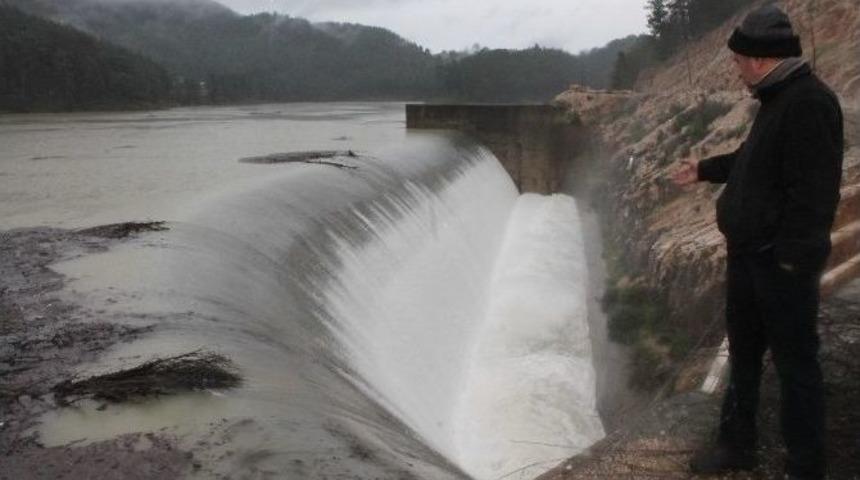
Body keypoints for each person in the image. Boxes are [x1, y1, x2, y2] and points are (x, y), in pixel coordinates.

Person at [670, 4, 843, 480]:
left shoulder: (808, 102)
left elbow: (815, 194)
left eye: (739, 59)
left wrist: (792, 262)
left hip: (779, 266)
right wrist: (703, 170)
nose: (736, 67)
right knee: (744, 356)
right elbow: (752, 162)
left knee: (796, 368)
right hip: (750, 259)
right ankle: (736, 446)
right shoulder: (778, 99)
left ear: (762, 60)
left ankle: (805, 467)